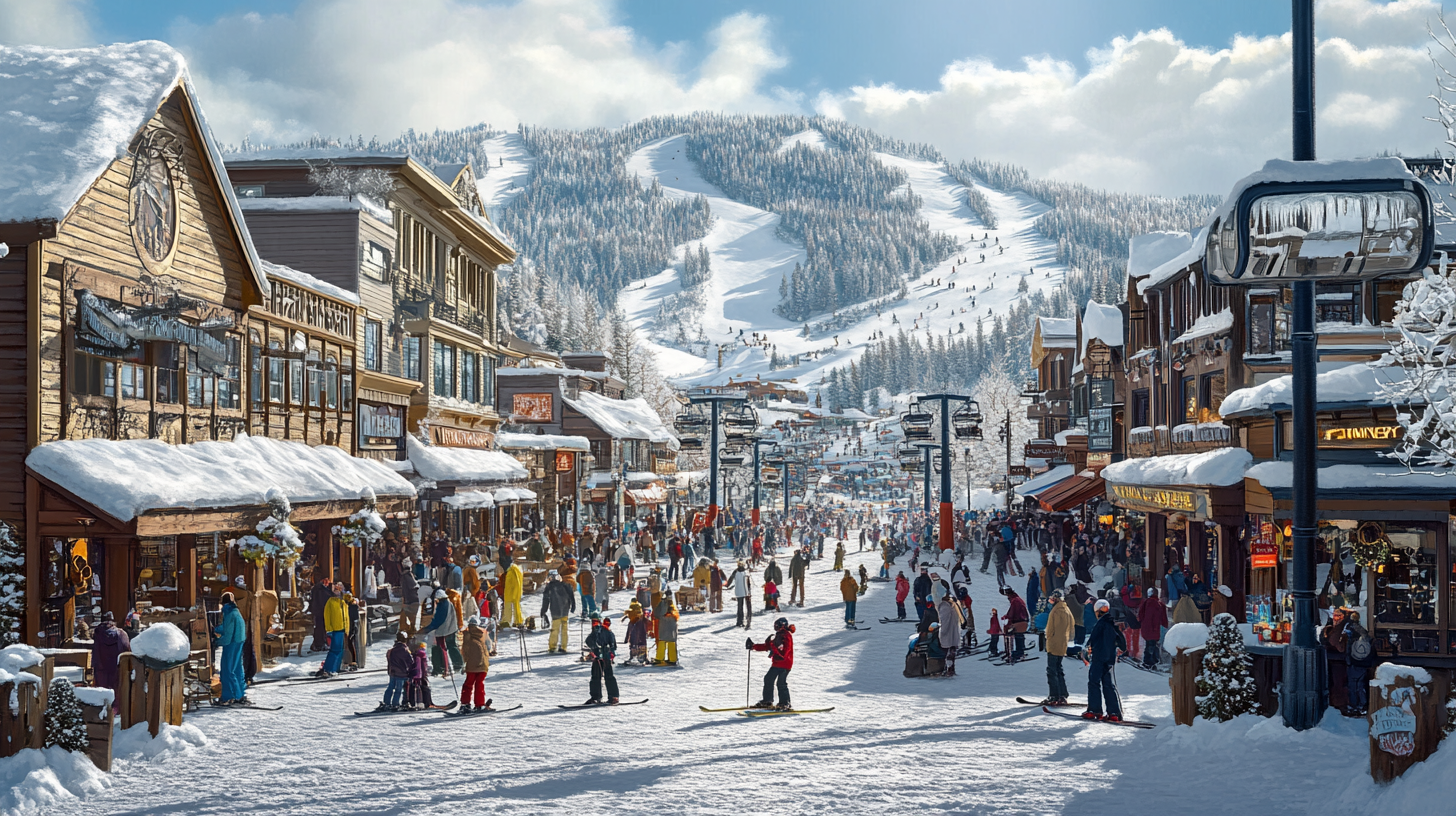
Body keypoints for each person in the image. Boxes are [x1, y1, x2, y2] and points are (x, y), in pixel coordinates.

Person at [1082, 599, 1126, 722]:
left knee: (1094, 682)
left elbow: (1093, 640)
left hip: (1099, 658)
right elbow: (1122, 643)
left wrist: (1087, 651)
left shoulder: (1101, 624)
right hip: (1109, 660)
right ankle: (1114, 712)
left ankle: (1094, 710)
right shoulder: (1112, 624)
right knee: (1108, 685)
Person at [749, 617, 795, 710]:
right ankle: (767, 701)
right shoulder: (778, 636)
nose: (776, 628)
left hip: (785, 664)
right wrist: (753, 646)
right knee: (768, 679)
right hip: (777, 664)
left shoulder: (786, 635)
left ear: (782, 625)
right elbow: (767, 646)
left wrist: (778, 650)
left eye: (777, 626)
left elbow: (785, 650)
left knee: (781, 683)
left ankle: (785, 703)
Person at [1042, 589, 1074, 706]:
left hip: (1054, 643)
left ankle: (1054, 695)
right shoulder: (1066, 609)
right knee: (1059, 669)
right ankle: (1062, 694)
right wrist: (1068, 639)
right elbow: (1072, 626)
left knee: (1051, 670)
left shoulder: (1055, 611)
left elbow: (1050, 629)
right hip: (1062, 644)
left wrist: (1048, 638)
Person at [215, 592, 247, 704]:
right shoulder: (236, 611)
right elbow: (228, 627)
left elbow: (228, 634)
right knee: (237, 669)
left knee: (227, 670)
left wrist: (217, 641)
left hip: (232, 643)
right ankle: (240, 694)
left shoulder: (228, 613)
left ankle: (229, 696)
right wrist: (217, 629)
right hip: (239, 641)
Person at [422, 588, 463, 676]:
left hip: (445, 630)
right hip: (451, 627)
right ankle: (457, 664)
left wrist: (428, 628)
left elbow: (439, 619)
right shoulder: (448, 602)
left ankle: (444, 667)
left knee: (442, 647)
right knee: (451, 646)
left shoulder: (443, 605)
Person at [584, 613, 619, 705]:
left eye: (596, 621)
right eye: (593, 621)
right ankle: (596, 696)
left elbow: (613, 645)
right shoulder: (594, 633)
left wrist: (609, 649)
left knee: (609, 676)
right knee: (596, 676)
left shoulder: (607, 632)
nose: (594, 623)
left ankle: (613, 696)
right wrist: (593, 648)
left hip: (606, 656)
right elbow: (588, 641)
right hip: (597, 657)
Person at [1343, 610, 1374, 717]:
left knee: (1353, 685)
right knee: (1361, 685)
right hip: (1364, 662)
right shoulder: (1363, 631)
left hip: (1354, 661)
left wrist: (1348, 660)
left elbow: (1347, 647)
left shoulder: (1349, 630)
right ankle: (1363, 705)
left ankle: (1354, 705)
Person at [316, 583, 349, 677]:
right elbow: (327, 616)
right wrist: (329, 629)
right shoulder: (330, 602)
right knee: (334, 650)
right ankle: (329, 668)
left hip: (342, 628)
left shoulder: (343, 602)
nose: (338, 591)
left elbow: (346, 615)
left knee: (340, 650)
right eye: (336, 590)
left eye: (339, 589)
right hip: (335, 629)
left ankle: (336, 668)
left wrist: (346, 628)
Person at [90, 611, 129, 691]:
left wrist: (93, 666)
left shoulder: (97, 633)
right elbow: (127, 649)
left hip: (101, 670)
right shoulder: (121, 633)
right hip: (116, 668)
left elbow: (95, 652)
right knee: (116, 693)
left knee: (101, 694)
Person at [460, 616, 491, 713]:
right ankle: (479, 704)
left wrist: (463, 663)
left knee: (468, 685)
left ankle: (465, 704)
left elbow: (465, 650)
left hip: (471, 665)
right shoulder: (484, 633)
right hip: (483, 664)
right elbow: (489, 647)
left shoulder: (467, 635)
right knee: (479, 685)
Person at [540, 570, 576, 654]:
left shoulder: (549, 587)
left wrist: (543, 611)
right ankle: (564, 646)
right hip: (565, 610)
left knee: (555, 629)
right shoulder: (566, 585)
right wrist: (573, 606)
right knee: (564, 629)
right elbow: (571, 596)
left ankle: (552, 647)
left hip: (555, 611)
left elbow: (546, 600)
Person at [377, 631, 413, 712]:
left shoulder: (392, 650)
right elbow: (410, 661)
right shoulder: (405, 650)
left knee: (390, 687)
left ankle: (386, 702)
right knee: (398, 689)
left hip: (392, 672)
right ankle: (395, 704)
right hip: (401, 673)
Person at [1321, 607, 1349, 712]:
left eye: (1338, 616)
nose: (1336, 618)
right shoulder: (1330, 628)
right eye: (1335, 615)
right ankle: (1336, 703)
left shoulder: (1343, 628)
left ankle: (1338, 703)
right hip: (1333, 660)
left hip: (1337, 660)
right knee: (1335, 683)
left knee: (1338, 683)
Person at [1138, 588, 1169, 669]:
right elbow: (1163, 618)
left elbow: (1140, 616)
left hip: (1146, 628)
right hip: (1156, 628)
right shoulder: (1160, 604)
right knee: (1153, 644)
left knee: (1149, 645)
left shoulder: (1145, 603)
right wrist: (1165, 625)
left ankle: (1148, 662)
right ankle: (1154, 660)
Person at [936, 594, 961, 676]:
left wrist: (941, 632)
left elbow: (944, 622)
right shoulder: (954, 606)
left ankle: (947, 670)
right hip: (954, 633)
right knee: (952, 653)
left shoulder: (944, 608)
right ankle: (951, 669)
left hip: (947, 635)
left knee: (946, 653)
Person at [1002, 588, 1030, 662]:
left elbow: (1012, 613)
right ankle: (1021, 650)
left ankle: (1019, 652)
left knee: (1018, 636)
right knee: (1019, 636)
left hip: (1020, 621)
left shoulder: (1015, 601)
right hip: (1024, 621)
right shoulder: (1017, 599)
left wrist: (1007, 619)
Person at [399, 558, 421, 636]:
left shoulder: (406, 575)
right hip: (411, 600)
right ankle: (411, 634)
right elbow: (412, 587)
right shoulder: (407, 575)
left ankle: (410, 634)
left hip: (410, 600)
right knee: (411, 619)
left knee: (409, 619)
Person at [730, 560, 754, 629]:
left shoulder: (736, 572)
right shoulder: (745, 572)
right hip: (745, 592)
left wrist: (726, 585)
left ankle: (740, 621)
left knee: (740, 607)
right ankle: (746, 621)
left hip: (740, 591)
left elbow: (730, 579)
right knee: (746, 607)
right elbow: (749, 583)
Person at [500, 560, 524, 627]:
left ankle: (507, 621)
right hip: (515, 593)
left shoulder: (511, 572)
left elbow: (512, 584)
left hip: (510, 593)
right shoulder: (517, 570)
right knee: (516, 606)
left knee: (508, 607)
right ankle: (518, 621)